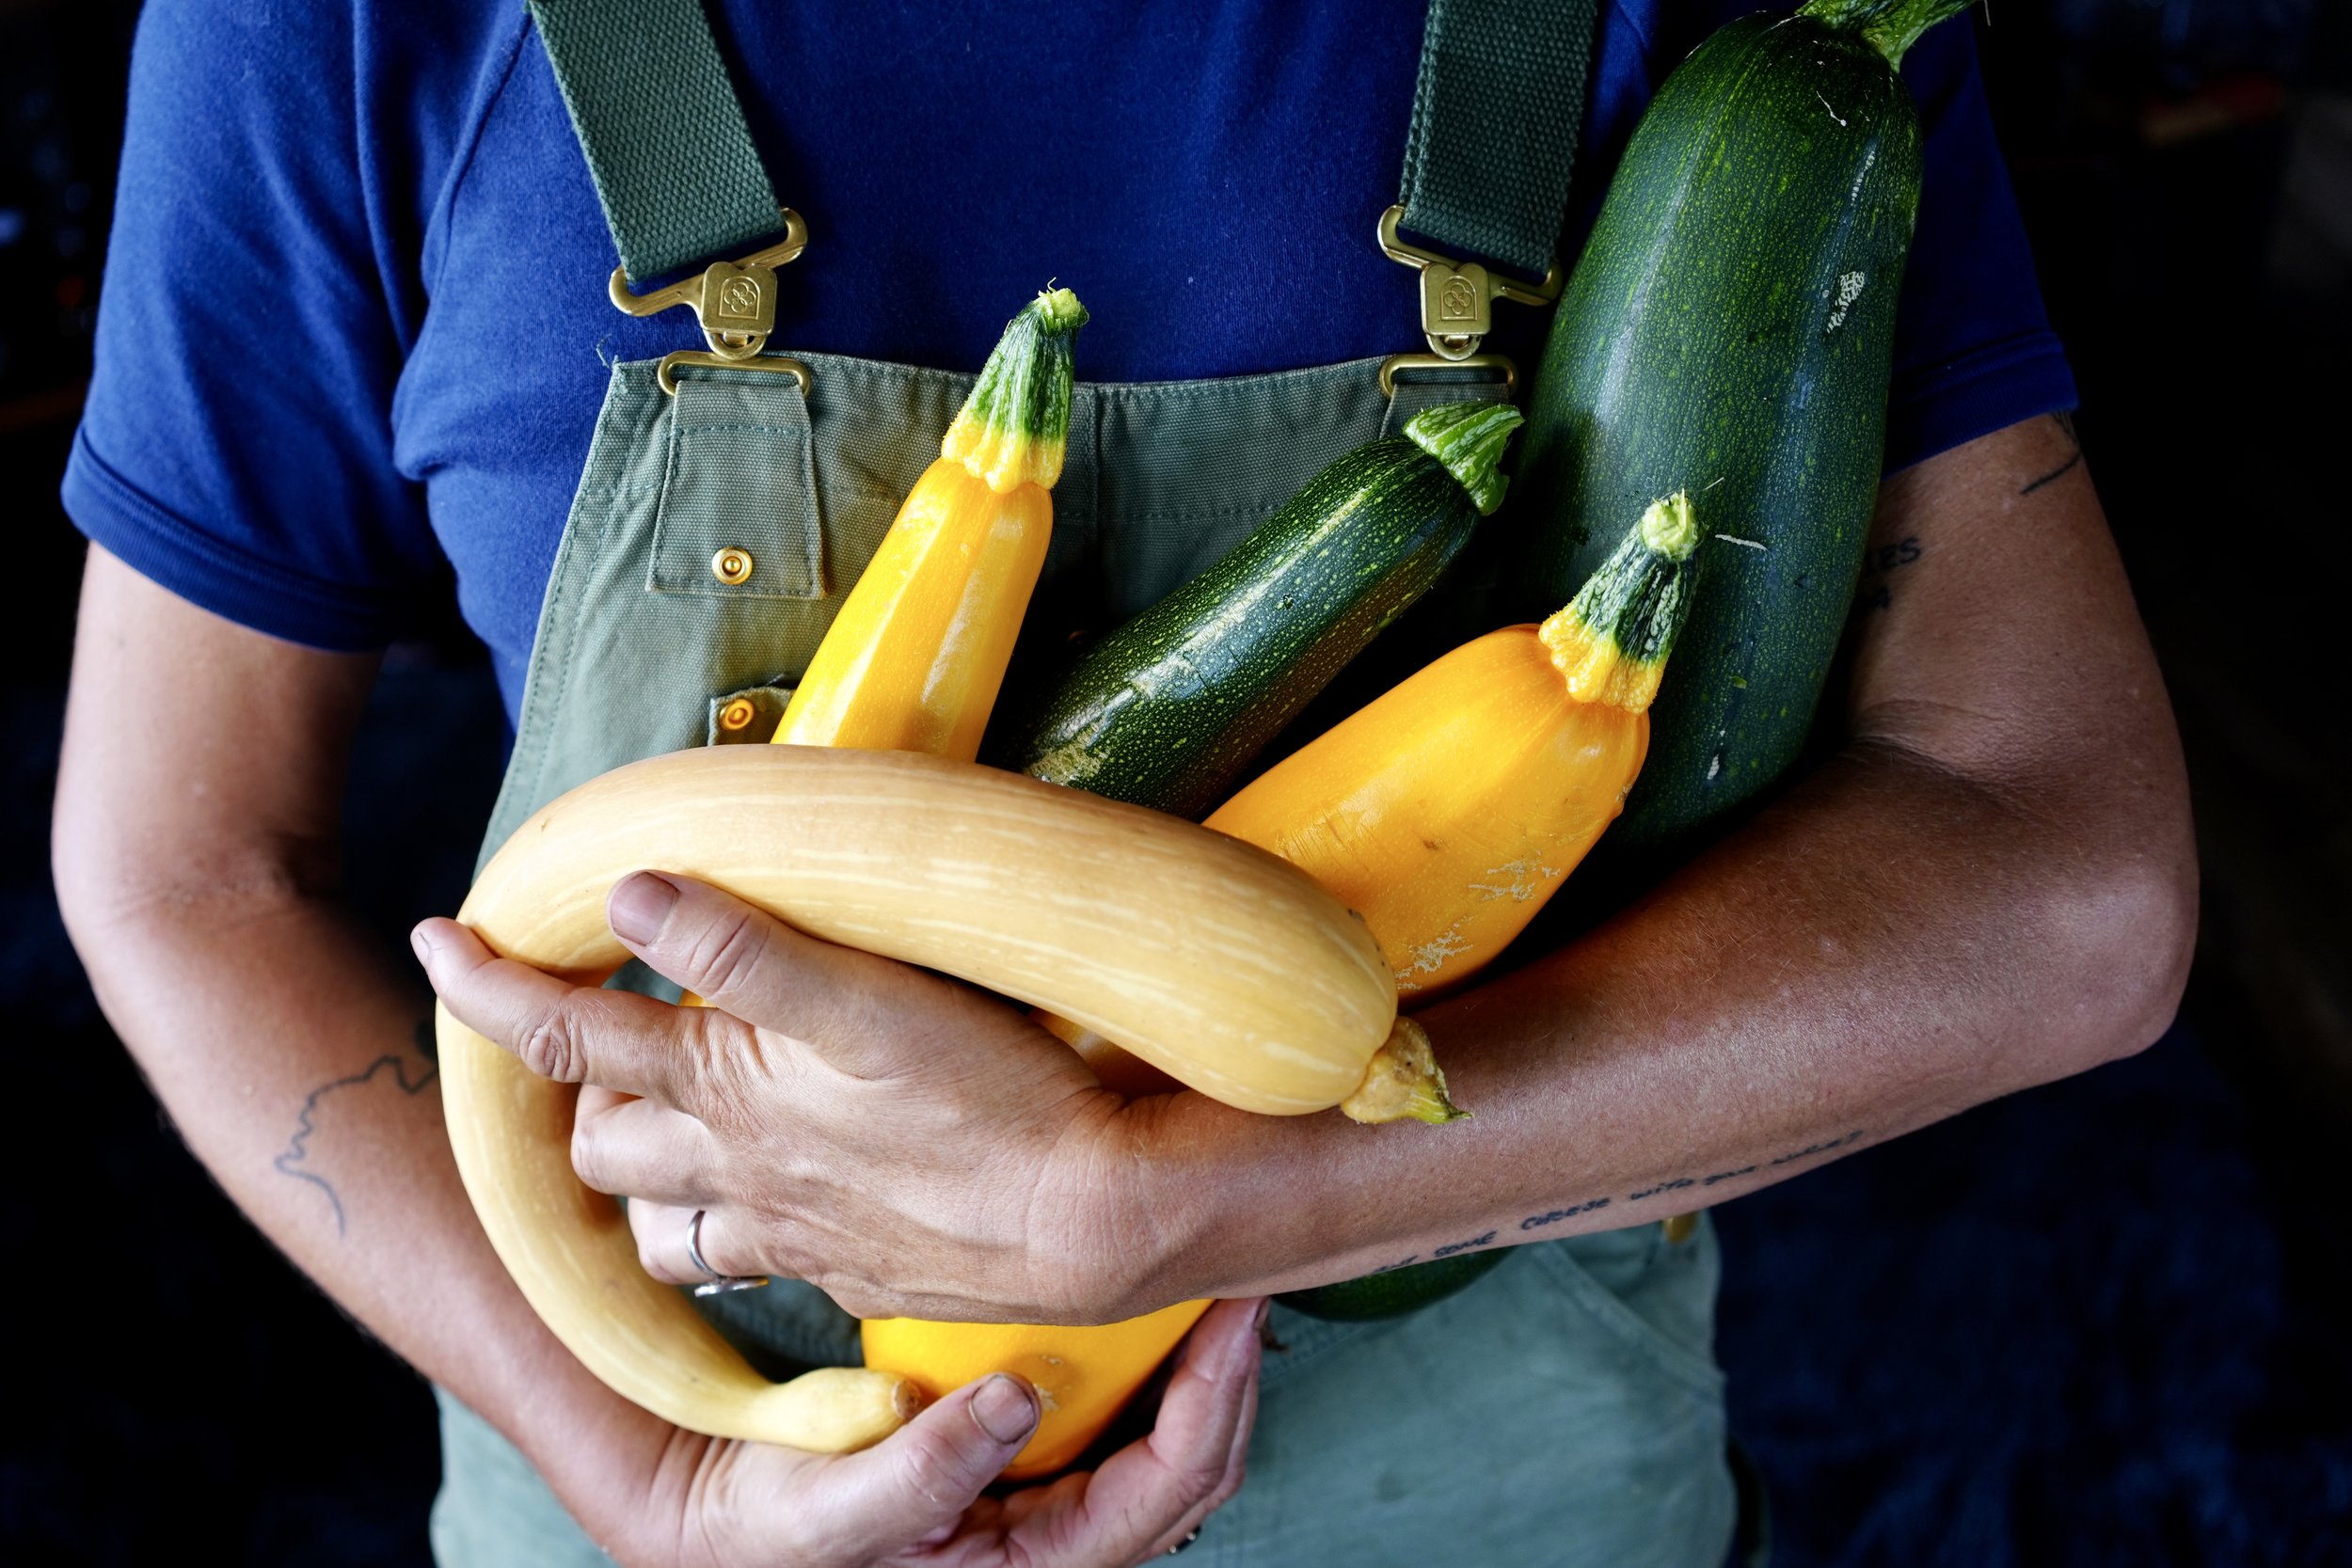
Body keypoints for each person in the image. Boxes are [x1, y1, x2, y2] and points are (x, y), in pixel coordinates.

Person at [52, 2, 2195, 1565]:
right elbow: (185, 870)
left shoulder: (1755, 51)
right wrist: (658, 1476)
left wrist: (1174, 1201)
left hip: (1495, 1489)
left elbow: (2068, 880)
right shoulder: (312, 28)